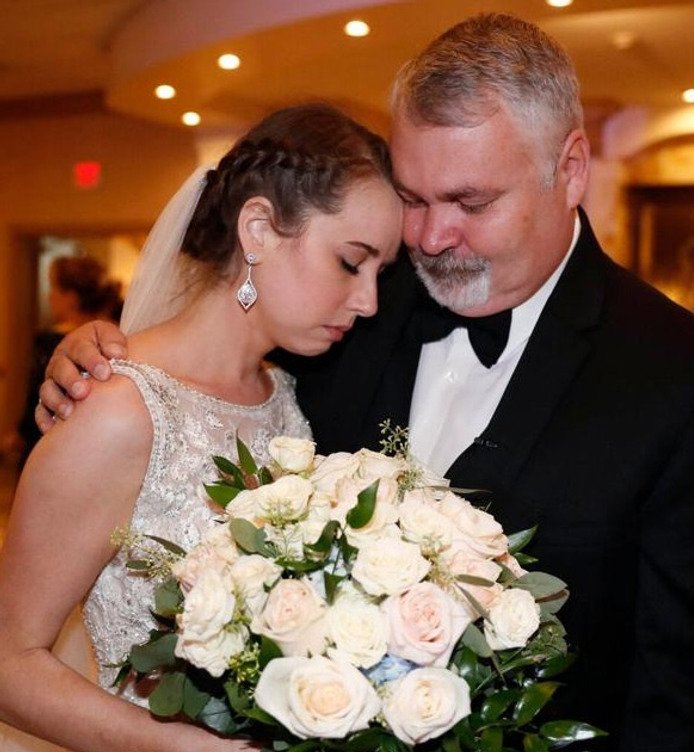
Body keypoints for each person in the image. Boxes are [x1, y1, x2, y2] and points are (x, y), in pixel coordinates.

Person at [34, 13, 694, 752]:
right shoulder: (349, 299)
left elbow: (686, 700)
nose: (430, 238)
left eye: (471, 203)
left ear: (571, 169)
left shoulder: (684, 379)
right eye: (414, 199)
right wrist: (102, 354)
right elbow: (208, 370)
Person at [0, 103, 402, 752]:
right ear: (258, 230)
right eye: (350, 263)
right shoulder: (119, 410)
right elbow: (8, 661)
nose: (368, 301)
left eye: (381, 273)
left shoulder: (288, 398)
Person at [9, 256, 123, 467]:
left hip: (51, 441)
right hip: (106, 450)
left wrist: (21, 433)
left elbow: (37, 396)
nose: (50, 296)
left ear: (71, 297)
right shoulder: (121, 336)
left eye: (54, 288)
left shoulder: (52, 341)